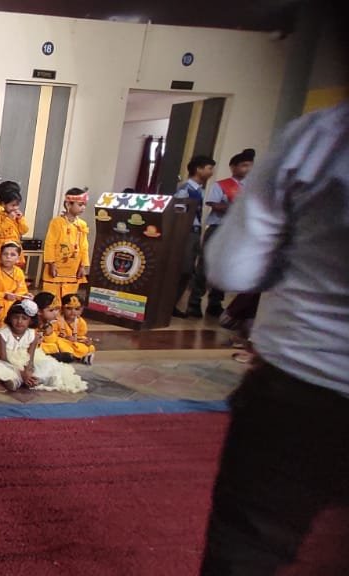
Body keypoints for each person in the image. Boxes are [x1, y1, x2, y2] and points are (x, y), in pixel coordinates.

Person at [200, 100, 349, 575]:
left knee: (249, 547)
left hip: (299, 384)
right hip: (298, 380)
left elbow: (231, 268)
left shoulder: (321, 137)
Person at [0, 299, 85, 393]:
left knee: (48, 365)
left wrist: (28, 371)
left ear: (31, 321)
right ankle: (13, 380)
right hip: (7, 361)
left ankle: (34, 379)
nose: (19, 321)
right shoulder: (2, 333)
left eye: (24, 318)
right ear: (10, 318)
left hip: (24, 359)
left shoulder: (32, 335)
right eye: (16, 317)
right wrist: (20, 372)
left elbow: (30, 359)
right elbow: (3, 358)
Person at [196, 149, 255, 318]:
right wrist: (236, 207)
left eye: (250, 165)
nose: (247, 169)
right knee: (205, 265)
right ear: (233, 167)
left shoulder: (252, 187)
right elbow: (214, 204)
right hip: (218, 227)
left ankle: (215, 302)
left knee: (225, 266)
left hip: (237, 230)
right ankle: (195, 300)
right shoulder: (222, 185)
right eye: (243, 165)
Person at [172, 156, 216, 318]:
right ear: (198, 169)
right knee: (183, 269)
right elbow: (178, 212)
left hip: (195, 231)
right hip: (186, 232)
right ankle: (169, 304)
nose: (211, 172)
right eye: (209, 168)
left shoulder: (199, 190)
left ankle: (173, 304)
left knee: (188, 269)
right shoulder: (186, 189)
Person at [41, 188, 90, 301]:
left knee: (69, 299)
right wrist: (51, 263)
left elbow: (84, 247)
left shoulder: (82, 224)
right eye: (80, 205)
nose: (83, 208)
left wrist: (83, 266)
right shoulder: (57, 222)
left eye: (84, 205)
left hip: (73, 269)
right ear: (68, 204)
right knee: (52, 299)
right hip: (57, 267)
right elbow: (50, 243)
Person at [0, 181, 29, 268]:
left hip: (15, 245)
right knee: (0, 269)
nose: (15, 208)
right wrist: (8, 219)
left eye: (17, 205)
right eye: (13, 205)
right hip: (1, 247)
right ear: (3, 204)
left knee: (14, 270)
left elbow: (23, 230)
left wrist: (21, 219)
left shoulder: (16, 215)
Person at [51, 293, 95, 364]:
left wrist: (85, 341)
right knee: (58, 343)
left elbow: (81, 335)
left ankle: (76, 356)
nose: (73, 312)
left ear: (81, 310)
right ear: (62, 309)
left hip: (74, 342)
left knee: (90, 347)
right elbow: (52, 334)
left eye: (77, 309)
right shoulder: (56, 320)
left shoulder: (81, 322)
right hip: (61, 341)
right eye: (69, 308)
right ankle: (72, 356)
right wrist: (66, 337)